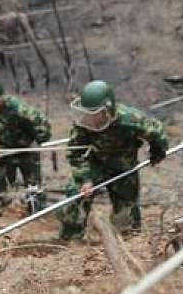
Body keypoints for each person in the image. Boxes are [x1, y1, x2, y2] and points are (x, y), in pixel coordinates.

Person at [58, 80, 168, 240]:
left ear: (108, 109)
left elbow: (157, 132)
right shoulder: (84, 124)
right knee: (76, 195)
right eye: (88, 114)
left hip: (124, 167)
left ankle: (126, 241)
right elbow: (75, 153)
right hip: (95, 163)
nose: (91, 119)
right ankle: (70, 238)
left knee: (126, 215)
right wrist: (85, 179)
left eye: (95, 114)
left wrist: (157, 153)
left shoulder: (131, 120)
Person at [0, 76, 51, 213]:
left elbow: (43, 127)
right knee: (2, 190)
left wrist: (36, 142)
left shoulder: (19, 110)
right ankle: (5, 211)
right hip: (4, 152)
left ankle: (36, 213)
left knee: (34, 190)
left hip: (26, 151)